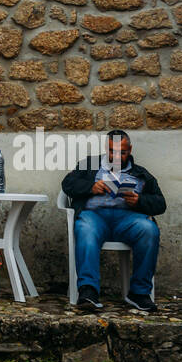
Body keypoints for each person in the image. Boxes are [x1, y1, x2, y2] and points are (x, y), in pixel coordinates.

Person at [61, 129, 164, 314]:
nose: (116, 156)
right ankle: (88, 292)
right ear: (105, 148)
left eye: (122, 152)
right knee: (84, 227)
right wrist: (91, 187)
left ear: (130, 150)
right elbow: (68, 184)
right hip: (95, 216)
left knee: (149, 229)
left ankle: (139, 293)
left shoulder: (141, 174)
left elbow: (160, 203)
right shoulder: (89, 164)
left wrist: (140, 201)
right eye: (111, 151)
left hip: (127, 220)